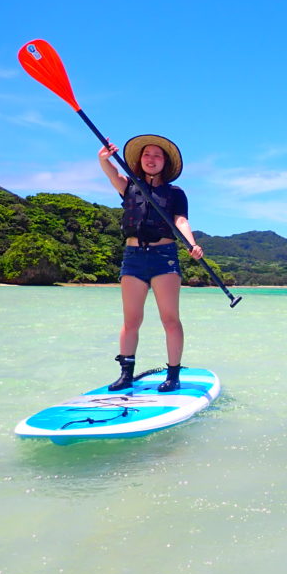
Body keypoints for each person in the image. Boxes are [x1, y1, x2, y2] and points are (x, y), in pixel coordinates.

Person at [98, 134, 204, 393]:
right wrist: (104, 159)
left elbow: (180, 221)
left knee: (170, 319)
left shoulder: (175, 193)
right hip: (133, 258)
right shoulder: (130, 187)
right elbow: (113, 176)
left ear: (164, 162)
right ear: (139, 160)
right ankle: (126, 374)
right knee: (131, 320)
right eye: (147, 155)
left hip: (163, 256)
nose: (151, 159)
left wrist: (191, 244)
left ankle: (173, 375)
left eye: (157, 155)